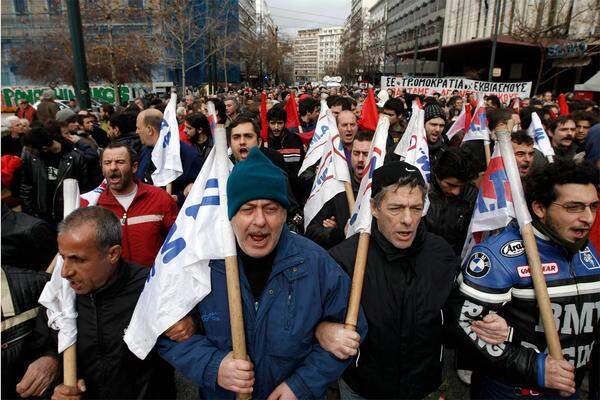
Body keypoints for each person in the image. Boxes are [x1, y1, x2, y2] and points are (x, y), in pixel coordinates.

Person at [158, 147, 366, 399]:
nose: (259, 221)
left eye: (270, 209)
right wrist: (214, 366)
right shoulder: (199, 261)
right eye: (247, 209)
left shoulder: (316, 263)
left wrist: (302, 385)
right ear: (231, 215)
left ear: (285, 214)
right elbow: (161, 329)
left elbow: (352, 329)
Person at [454, 160, 600, 399]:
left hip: (568, 387)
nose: (588, 218)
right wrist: (537, 367)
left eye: (593, 206)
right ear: (540, 208)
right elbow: (465, 328)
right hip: (511, 390)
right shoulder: (498, 256)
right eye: (573, 207)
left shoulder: (588, 250)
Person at [317, 162, 459, 399]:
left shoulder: (441, 253)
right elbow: (312, 316)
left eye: (416, 208)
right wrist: (322, 330)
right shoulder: (345, 259)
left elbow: (455, 313)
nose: (408, 219)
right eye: (396, 208)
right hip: (364, 388)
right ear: (374, 207)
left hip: (424, 387)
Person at [24, 206, 176, 400]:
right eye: (63, 258)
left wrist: (190, 323)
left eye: (78, 259)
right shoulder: (58, 293)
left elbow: (187, 341)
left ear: (112, 254)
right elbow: (45, 345)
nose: (65, 272)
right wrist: (53, 375)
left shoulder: (150, 288)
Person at [97, 142, 178, 268]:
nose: (113, 167)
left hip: (155, 282)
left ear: (134, 167)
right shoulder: (96, 206)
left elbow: (178, 241)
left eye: (120, 162)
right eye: (107, 163)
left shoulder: (160, 198)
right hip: (115, 285)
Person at [305, 130, 371, 249]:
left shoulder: (383, 187)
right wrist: (337, 233)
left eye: (366, 154)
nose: (360, 159)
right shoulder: (335, 186)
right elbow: (311, 230)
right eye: (356, 153)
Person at [20, 128, 90, 224]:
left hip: (66, 214)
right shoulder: (31, 157)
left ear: (44, 148)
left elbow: (83, 188)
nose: (29, 152)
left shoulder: (75, 158)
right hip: (40, 214)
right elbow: (26, 185)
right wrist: (29, 213)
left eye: (32, 150)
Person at [135, 108, 203, 204]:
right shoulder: (145, 150)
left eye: (138, 128)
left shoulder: (189, 156)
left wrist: (179, 197)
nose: (136, 132)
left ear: (149, 130)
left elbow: (198, 190)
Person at [425, 147, 478, 256]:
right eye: (450, 185)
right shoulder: (422, 190)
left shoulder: (472, 194)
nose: (456, 192)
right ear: (437, 175)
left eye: (461, 186)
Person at [266, 105, 305, 191]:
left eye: (279, 123)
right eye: (272, 123)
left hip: (296, 189)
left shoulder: (296, 140)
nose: (276, 127)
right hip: (273, 189)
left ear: (285, 123)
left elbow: (302, 164)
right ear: (268, 123)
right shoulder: (264, 143)